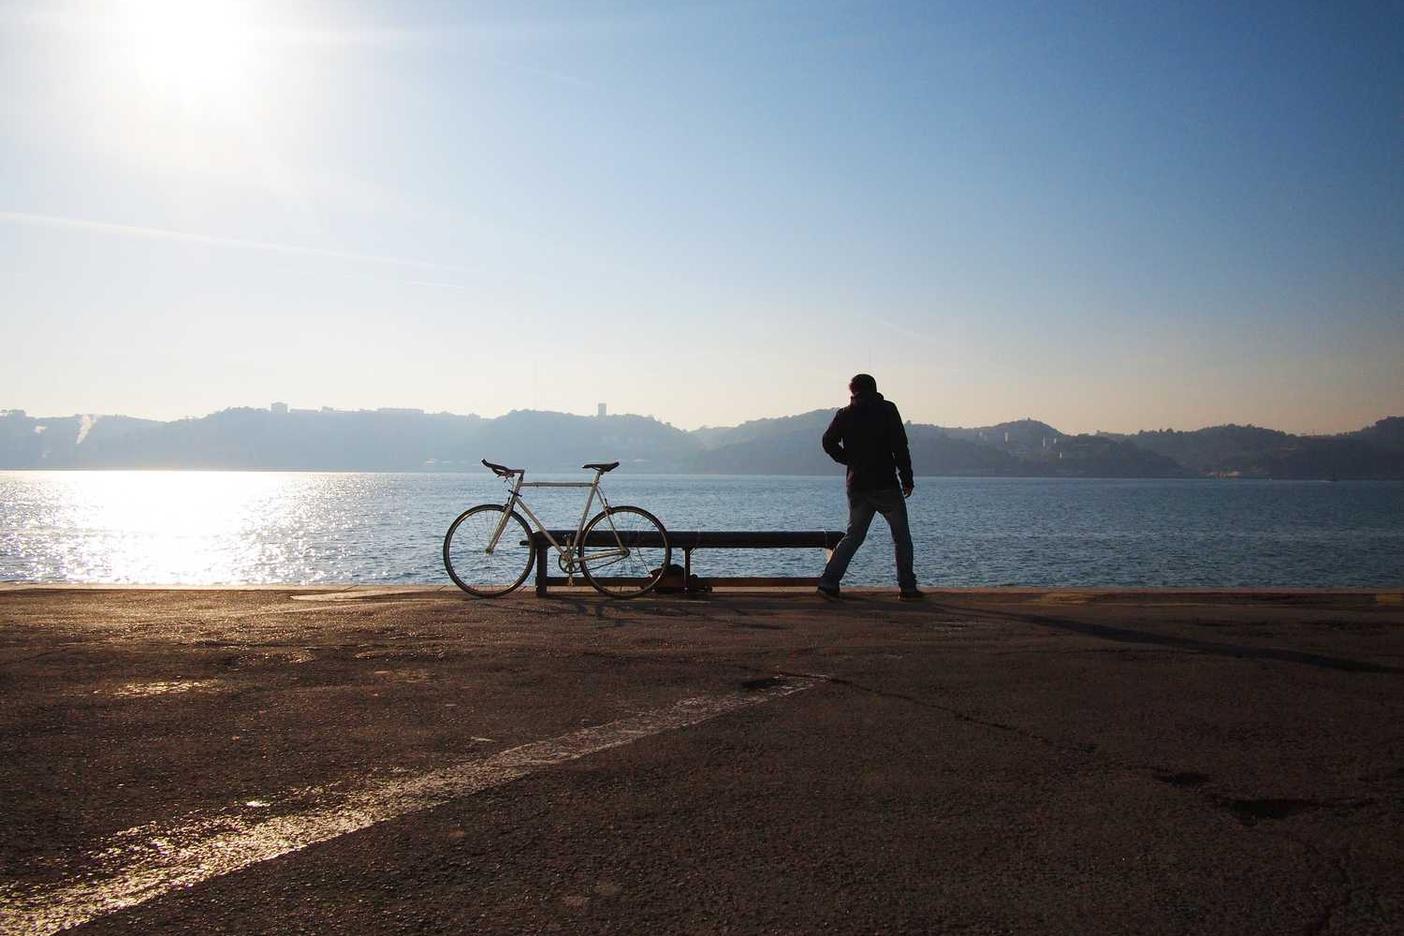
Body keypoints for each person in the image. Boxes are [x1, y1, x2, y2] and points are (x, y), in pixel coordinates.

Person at [817, 374, 923, 600]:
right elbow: (900, 446)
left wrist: (849, 460)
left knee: (854, 536)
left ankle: (828, 582)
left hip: (857, 484)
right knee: (901, 537)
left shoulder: (845, 414)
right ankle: (907, 587)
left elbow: (827, 441)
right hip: (885, 484)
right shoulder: (887, 410)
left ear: (853, 391)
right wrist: (907, 478)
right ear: (874, 389)